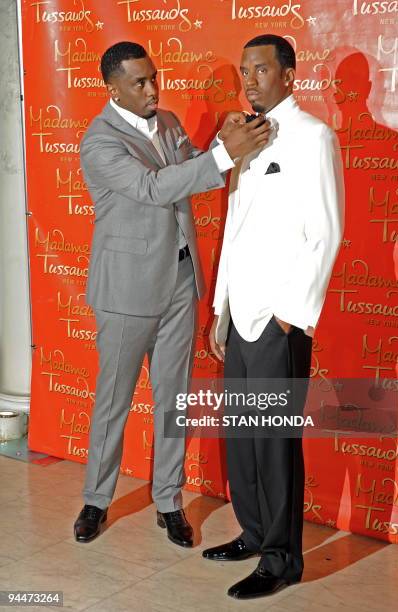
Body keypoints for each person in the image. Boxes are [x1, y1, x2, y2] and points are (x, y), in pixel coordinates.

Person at [74, 41, 271, 547]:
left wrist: (220, 145)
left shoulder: (168, 122)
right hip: (125, 290)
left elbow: (191, 174)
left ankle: (169, 500)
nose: (152, 89)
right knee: (113, 402)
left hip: (181, 282)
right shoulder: (98, 142)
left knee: (174, 401)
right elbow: (154, 187)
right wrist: (225, 155)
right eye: (139, 82)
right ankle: (96, 501)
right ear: (111, 87)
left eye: (153, 77)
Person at [203, 35, 344, 599]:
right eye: (244, 70)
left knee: (274, 439)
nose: (250, 79)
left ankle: (282, 559)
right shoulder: (242, 137)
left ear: (289, 75)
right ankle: (255, 532)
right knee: (242, 434)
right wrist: (220, 308)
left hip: (279, 318)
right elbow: (234, 232)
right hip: (241, 314)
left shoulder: (313, 137)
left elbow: (326, 231)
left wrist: (292, 315)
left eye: (261, 69)